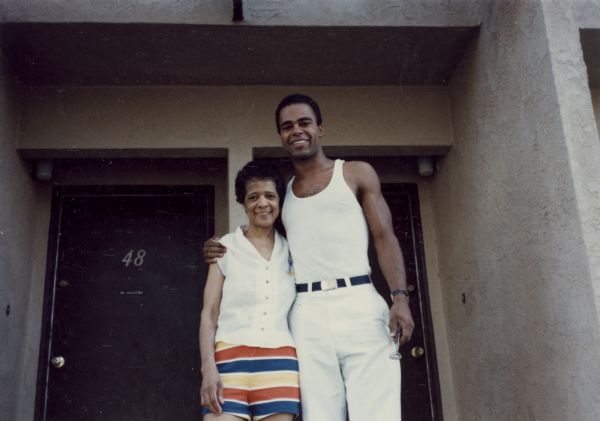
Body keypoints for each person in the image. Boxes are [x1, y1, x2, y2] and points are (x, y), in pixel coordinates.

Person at [204, 93, 415, 421]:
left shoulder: (355, 174)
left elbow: (384, 236)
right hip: (306, 312)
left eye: (304, 122)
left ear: (320, 128)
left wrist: (399, 297)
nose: (296, 131)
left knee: (377, 411)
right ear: (281, 136)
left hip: (359, 300)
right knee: (320, 414)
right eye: (287, 126)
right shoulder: (282, 194)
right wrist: (218, 247)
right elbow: (262, 242)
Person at [199, 160, 301, 421]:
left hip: (279, 361)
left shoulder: (293, 250)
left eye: (270, 196)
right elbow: (209, 314)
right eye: (253, 197)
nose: (262, 203)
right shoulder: (225, 247)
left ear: (280, 201)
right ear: (243, 203)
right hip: (228, 360)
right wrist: (208, 369)